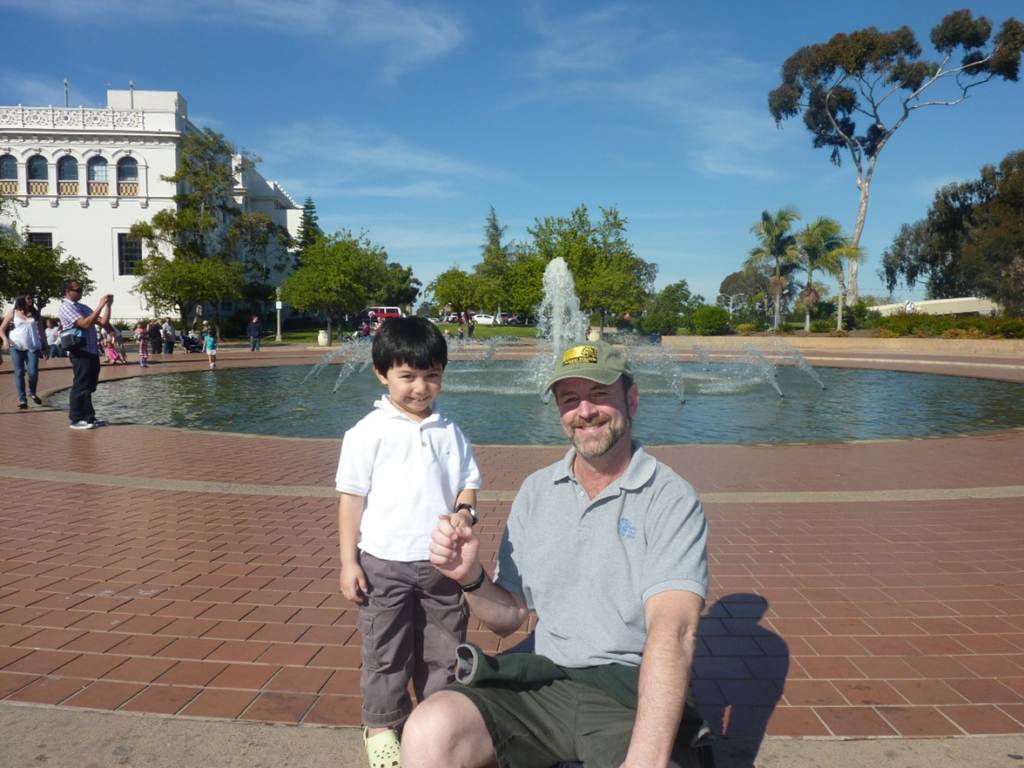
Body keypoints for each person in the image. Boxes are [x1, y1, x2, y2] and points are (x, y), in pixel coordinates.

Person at [403, 340, 713, 768]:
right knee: (428, 730)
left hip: (627, 693)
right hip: (543, 681)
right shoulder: (537, 491)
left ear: (633, 400)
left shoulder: (670, 498)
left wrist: (646, 759)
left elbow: (674, 630)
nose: (585, 411)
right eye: (570, 400)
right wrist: (470, 578)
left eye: (600, 394)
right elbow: (509, 618)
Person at [336, 316, 482, 768]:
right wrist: (348, 561)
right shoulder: (368, 432)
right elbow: (351, 501)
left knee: (444, 648)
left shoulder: (450, 432)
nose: (421, 387)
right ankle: (381, 723)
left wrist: (464, 512)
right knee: (386, 649)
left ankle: (436, 720)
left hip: (441, 564)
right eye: (408, 376)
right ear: (382, 374)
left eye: (432, 376)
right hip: (383, 563)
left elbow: (468, 486)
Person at [58, 281, 112, 429]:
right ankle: (76, 419)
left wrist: (108, 306)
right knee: (80, 385)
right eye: (78, 290)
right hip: (79, 351)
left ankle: (89, 417)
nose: (81, 292)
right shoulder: (66, 307)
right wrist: (100, 305)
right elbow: (85, 324)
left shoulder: (82, 307)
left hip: (92, 350)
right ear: (68, 291)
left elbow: (103, 322)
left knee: (89, 386)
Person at [0, 292, 47, 409]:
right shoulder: (13, 312)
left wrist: (46, 347)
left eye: (31, 298)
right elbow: (1, 329)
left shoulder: (36, 314)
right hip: (16, 346)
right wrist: (5, 340)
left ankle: (32, 392)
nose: (31, 300)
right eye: (28, 298)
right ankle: (22, 400)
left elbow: (41, 332)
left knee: (33, 372)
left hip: (32, 347)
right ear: (21, 299)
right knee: (19, 372)